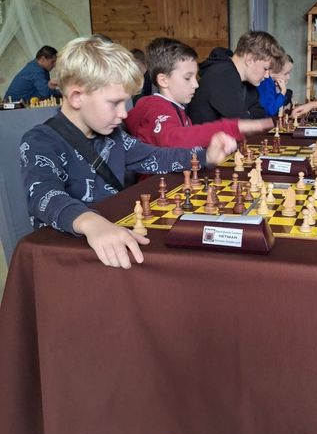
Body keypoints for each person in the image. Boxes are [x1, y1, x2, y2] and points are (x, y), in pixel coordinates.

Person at [20, 36, 236, 270]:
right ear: (76, 97)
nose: (124, 113)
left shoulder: (114, 136)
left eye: (126, 103)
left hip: (114, 245)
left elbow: (155, 157)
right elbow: (43, 195)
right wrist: (90, 222)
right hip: (67, 259)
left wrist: (204, 156)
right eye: (115, 103)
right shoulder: (40, 141)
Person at [125, 37, 273, 148]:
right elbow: (176, 139)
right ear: (163, 80)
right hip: (158, 181)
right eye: (187, 78)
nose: (196, 85)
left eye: (195, 77)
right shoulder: (156, 110)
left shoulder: (179, 109)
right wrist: (230, 128)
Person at [187, 30, 286, 123]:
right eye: (265, 68)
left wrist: (247, 115)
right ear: (250, 60)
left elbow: (260, 113)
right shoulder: (223, 76)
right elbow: (244, 125)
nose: (267, 75)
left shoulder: (244, 80)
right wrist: (247, 115)